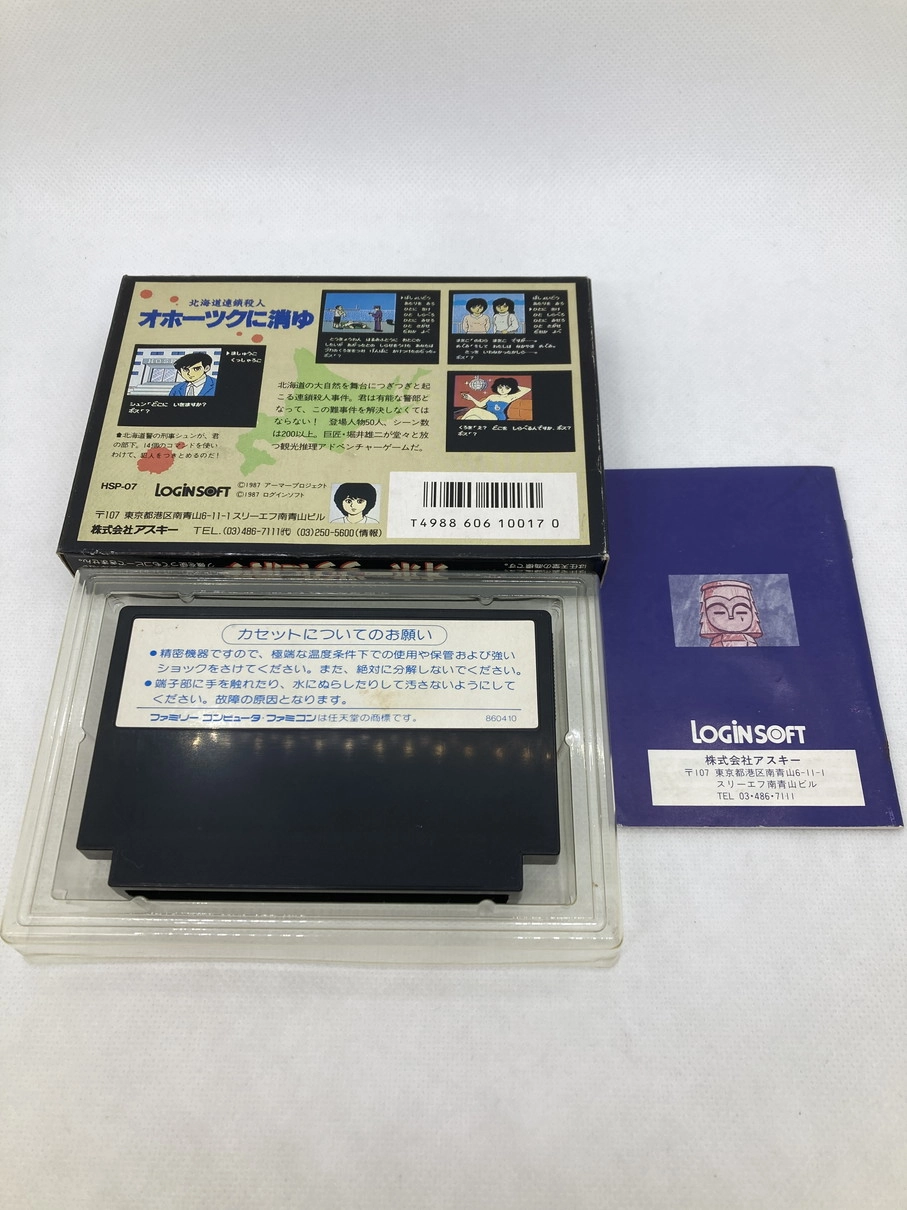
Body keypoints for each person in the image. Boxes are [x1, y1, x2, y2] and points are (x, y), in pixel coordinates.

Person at [699, 580, 763, 647]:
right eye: (719, 612)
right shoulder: (717, 642)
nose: (731, 616)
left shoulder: (749, 641)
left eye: (740, 612)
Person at [459, 376, 530, 421]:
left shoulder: (510, 397)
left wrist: (513, 385)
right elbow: (481, 405)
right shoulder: (492, 396)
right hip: (487, 415)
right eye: (500, 387)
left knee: (474, 410)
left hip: (497, 417)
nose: (502, 390)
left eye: (507, 388)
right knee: (473, 418)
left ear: (511, 389)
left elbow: (527, 389)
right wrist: (471, 398)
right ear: (496, 387)